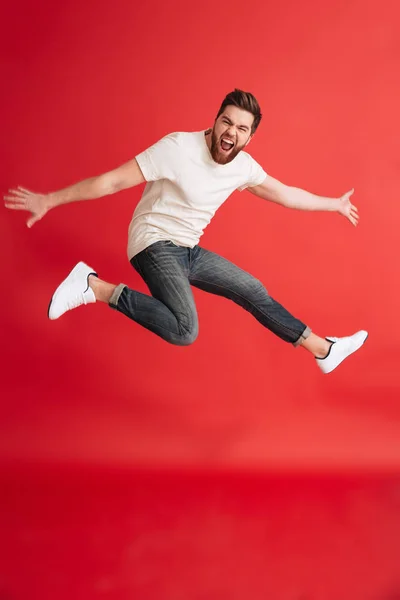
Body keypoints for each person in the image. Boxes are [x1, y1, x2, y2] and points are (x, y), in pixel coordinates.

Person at [4, 89, 367, 374]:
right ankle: (94, 286)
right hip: (153, 242)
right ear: (216, 119)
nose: (230, 133)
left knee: (252, 290)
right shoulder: (178, 147)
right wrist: (50, 199)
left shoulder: (243, 167)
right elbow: (113, 180)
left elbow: (286, 194)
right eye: (227, 122)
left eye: (241, 129)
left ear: (249, 137)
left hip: (188, 251)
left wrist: (333, 203)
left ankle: (324, 349)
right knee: (184, 329)